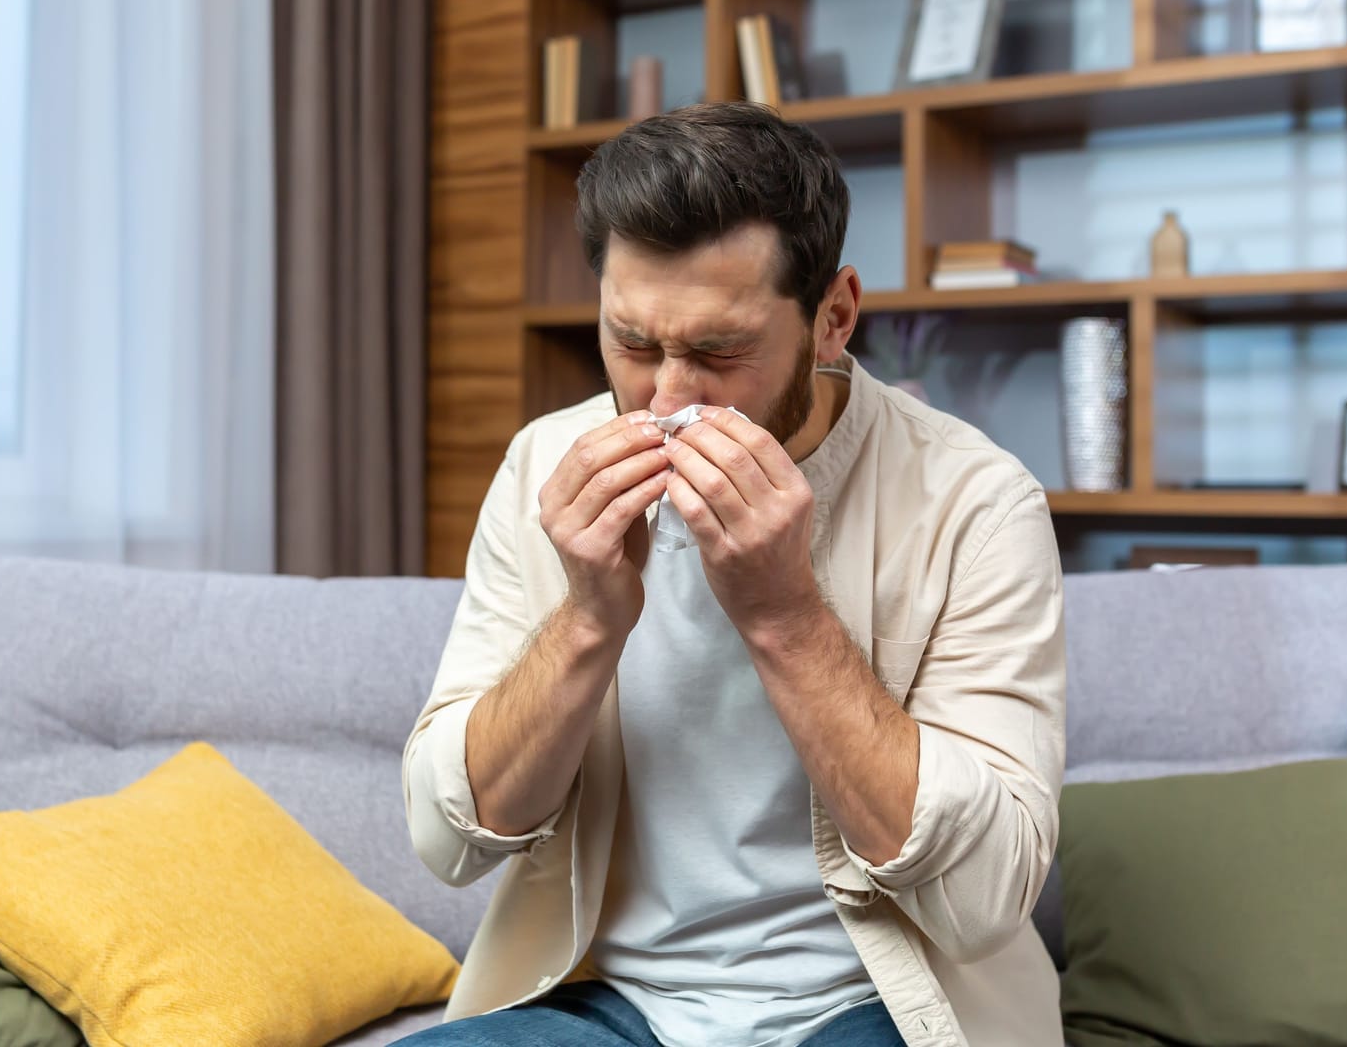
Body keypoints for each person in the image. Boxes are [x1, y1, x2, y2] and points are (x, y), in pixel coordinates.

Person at [396, 101, 1066, 1047]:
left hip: (876, 1004)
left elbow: (987, 896)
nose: (668, 398)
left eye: (719, 352)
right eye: (632, 343)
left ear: (833, 319)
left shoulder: (977, 501)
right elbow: (450, 840)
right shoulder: (543, 466)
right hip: (612, 1002)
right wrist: (589, 619)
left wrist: (786, 615)